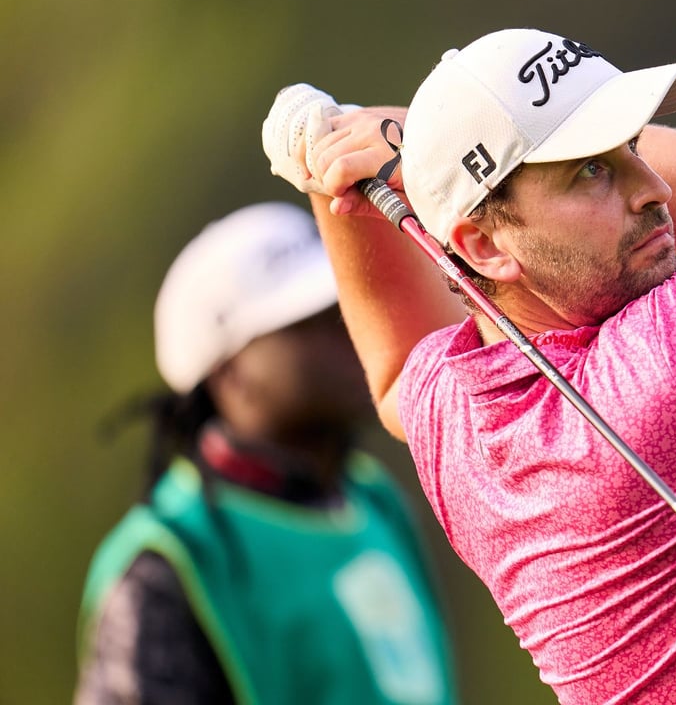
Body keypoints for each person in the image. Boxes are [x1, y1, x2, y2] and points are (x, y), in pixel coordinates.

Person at [261, 28, 676, 703]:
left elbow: (395, 372)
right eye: (591, 169)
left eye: (634, 146)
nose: (657, 187)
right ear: (482, 245)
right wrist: (411, 138)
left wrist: (343, 192)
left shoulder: (459, 422)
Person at [75, 202, 460, 704]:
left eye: (347, 302)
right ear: (228, 371)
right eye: (311, 320)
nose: (353, 329)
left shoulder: (371, 497)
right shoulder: (170, 560)